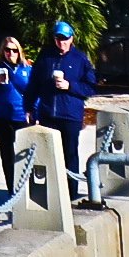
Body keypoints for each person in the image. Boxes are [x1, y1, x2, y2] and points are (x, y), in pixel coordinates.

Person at [29, 19, 99, 187]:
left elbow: (90, 87)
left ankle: (72, 192)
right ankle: (53, 192)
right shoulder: (45, 56)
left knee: (70, 154)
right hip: (48, 114)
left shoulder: (80, 59)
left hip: (70, 115)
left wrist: (70, 86)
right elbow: (34, 83)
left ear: (72, 39)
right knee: (49, 155)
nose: (62, 43)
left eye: (65, 39)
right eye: (58, 38)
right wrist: (29, 107)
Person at [0, 34, 34, 187]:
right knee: (7, 155)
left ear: (19, 51)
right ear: (3, 51)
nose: (11, 53)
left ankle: (27, 186)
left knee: (25, 154)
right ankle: (11, 187)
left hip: (22, 116)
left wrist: (34, 112)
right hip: (2, 116)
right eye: (7, 50)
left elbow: (35, 93)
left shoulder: (27, 68)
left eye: (14, 50)